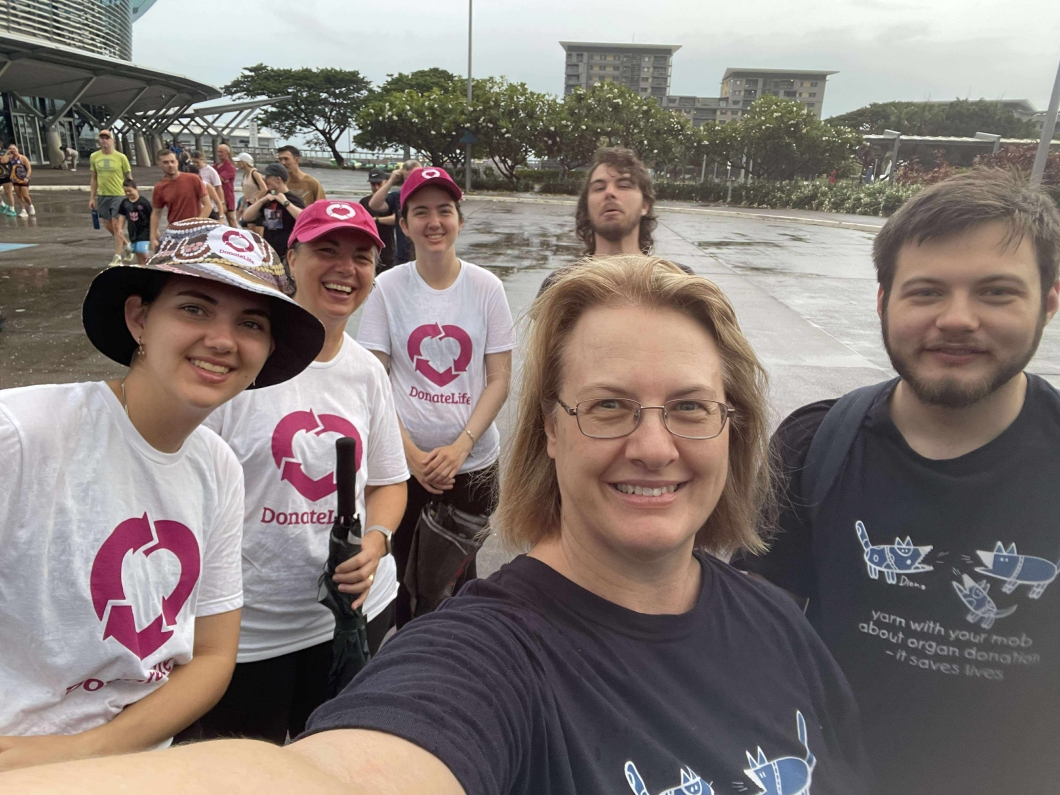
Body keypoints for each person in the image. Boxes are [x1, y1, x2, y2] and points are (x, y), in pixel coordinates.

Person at [0, 257, 873, 795]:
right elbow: (333, 773)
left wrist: (381, 534)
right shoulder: (486, 654)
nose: (652, 445)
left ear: (735, 429)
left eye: (690, 407)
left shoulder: (781, 632)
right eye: (607, 407)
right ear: (552, 433)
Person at [738, 169, 1060, 794]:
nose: (958, 319)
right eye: (926, 292)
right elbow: (756, 629)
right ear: (883, 301)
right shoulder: (814, 445)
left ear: (1049, 299)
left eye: (996, 293)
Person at [0, 219, 325, 774]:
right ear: (139, 318)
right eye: (194, 309)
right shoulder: (22, 435)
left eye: (250, 322)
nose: (222, 340)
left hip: (141, 758)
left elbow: (212, 656)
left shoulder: (216, 467)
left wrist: (92, 750)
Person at [192, 201, 408, 745]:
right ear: (292, 257)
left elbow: (388, 481)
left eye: (362, 256)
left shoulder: (365, 372)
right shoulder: (242, 364)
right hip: (247, 634)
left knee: (332, 764)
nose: (346, 269)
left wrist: (376, 543)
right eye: (326, 251)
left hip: (352, 619)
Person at [357, 166, 514, 628]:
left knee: (458, 580)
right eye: (420, 212)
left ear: (459, 221)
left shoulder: (487, 288)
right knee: (405, 578)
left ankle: (458, 666)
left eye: (444, 211)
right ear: (402, 224)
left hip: (473, 467)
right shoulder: (387, 287)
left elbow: (499, 378)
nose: (434, 222)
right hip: (403, 467)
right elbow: (375, 378)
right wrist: (411, 455)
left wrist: (459, 447)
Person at [540, 146, 690, 293]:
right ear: (586, 208)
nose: (609, 193)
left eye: (623, 185)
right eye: (599, 188)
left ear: (645, 205)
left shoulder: (678, 282)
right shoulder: (559, 286)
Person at [240, 163, 304, 262]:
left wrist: (285, 203)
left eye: (268, 177)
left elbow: (303, 217)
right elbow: (246, 217)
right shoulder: (267, 198)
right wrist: (262, 201)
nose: (265, 180)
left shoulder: (293, 199)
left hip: (287, 250)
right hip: (269, 249)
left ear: (278, 179)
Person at [151, 149, 211, 250]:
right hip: (175, 233)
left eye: (172, 161)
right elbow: (156, 213)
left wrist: (197, 226)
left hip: (196, 232)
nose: (170, 165)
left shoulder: (194, 179)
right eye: (166, 162)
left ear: (177, 162)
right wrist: (152, 237)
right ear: (159, 164)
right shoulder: (159, 187)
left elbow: (208, 205)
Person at [90, 129, 133, 265]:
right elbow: (94, 177)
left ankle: (117, 257)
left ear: (112, 140)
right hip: (103, 195)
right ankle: (127, 245)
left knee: (117, 225)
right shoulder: (94, 157)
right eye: (102, 138)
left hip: (119, 195)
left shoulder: (121, 157)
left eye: (107, 138)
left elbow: (129, 177)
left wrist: (132, 194)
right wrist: (92, 197)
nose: (104, 140)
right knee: (107, 224)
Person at [367, 160, 421, 267]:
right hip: (402, 257)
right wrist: (391, 181)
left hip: (425, 255)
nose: (411, 182)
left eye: (414, 177)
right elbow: (374, 204)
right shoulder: (398, 196)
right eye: (407, 179)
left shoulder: (429, 195)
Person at [360, 168, 396, 272]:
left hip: (387, 249)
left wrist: (375, 220)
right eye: (373, 184)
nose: (376, 188)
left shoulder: (391, 200)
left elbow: (396, 219)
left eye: (379, 184)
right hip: (368, 247)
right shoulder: (364, 201)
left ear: (386, 182)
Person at [118, 177, 153, 264]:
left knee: (143, 251)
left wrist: (154, 230)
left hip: (144, 230)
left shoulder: (143, 202)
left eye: (130, 191)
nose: (128, 193)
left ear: (136, 189)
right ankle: (141, 268)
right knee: (138, 252)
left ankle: (151, 266)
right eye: (126, 192)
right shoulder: (125, 203)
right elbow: (122, 215)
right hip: (133, 231)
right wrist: (120, 228)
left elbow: (152, 216)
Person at [191, 151, 227, 222]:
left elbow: (218, 188)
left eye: (197, 162)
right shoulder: (192, 170)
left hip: (210, 203)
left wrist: (222, 203)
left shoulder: (211, 171)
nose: (195, 164)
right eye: (193, 162)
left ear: (202, 159)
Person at [214, 144, 238, 227]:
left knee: (230, 218)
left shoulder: (230, 167)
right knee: (216, 217)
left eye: (221, 152)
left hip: (227, 195)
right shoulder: (216, 166)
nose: (219, 154)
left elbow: (220, 179)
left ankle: (236, 235)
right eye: (218, 152)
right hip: (217, 195)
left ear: (227, 153)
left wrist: (216, 176)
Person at [7, 143, 33, 218]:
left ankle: (30, 205)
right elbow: (3, 161)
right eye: (11, 149)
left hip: (23, 178)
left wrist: (27, 177)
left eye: (14, 149)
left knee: (25, 195)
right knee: (19, 195)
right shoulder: (10, 158)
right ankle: (23, 210)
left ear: (17, 149)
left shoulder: (22, 158)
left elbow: (29, 168)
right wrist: (7, 153)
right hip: (15, 179)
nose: (13, 150)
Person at [0, 146, 16, 217]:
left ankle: (12, 209)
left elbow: (3, 160)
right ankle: (3, 205)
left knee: (8, 192)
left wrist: (6, 153)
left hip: (6, 176)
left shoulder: (5, 152)